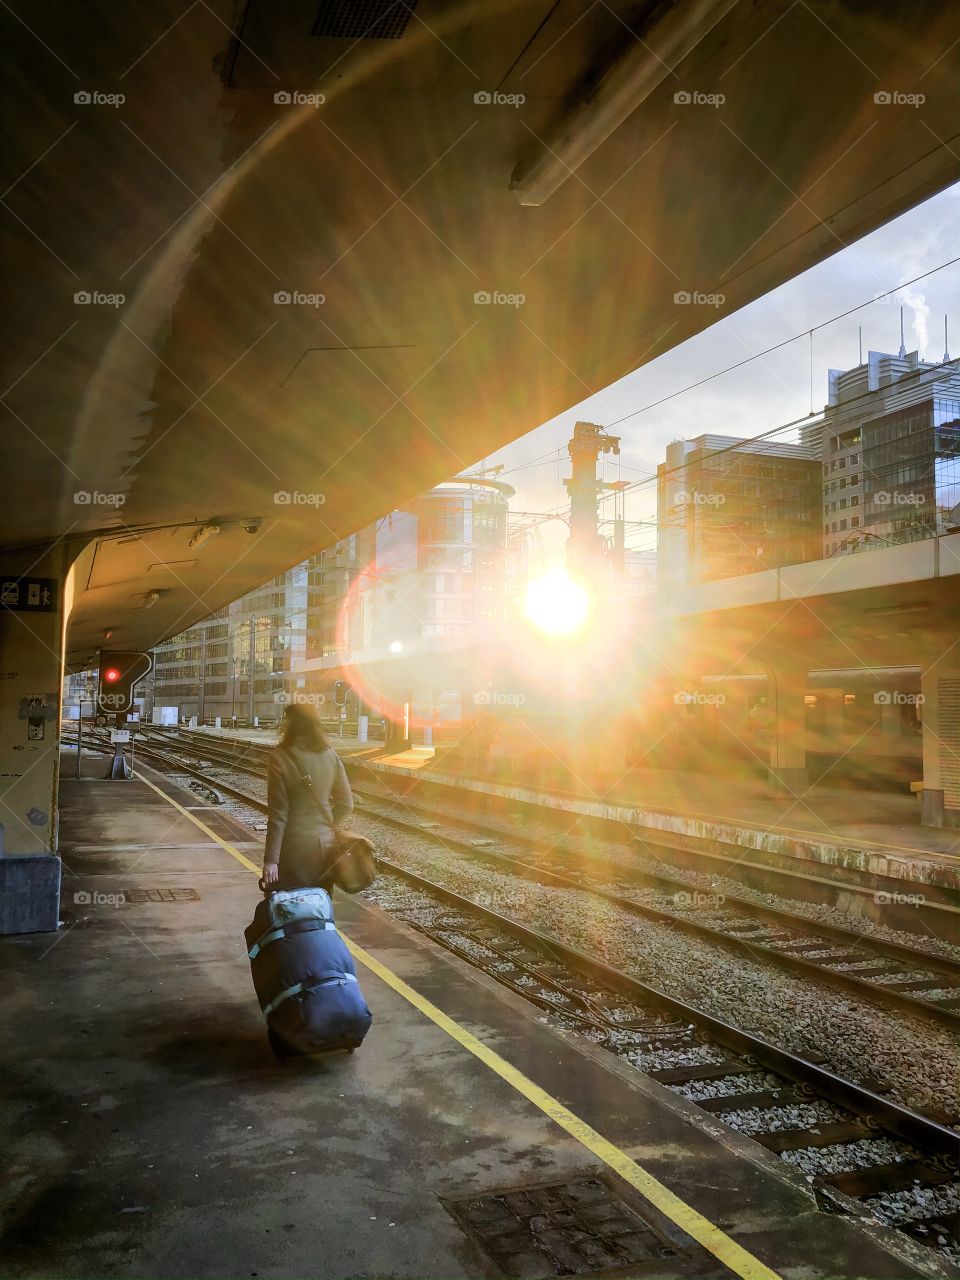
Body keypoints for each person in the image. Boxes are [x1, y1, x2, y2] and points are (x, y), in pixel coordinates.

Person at [262, 703, 353, 891]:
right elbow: (346, 803)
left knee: (289, 908)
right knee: (320, 909)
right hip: (325, 848)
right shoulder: (331, 755)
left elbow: (278, 815)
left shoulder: (280, 757)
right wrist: (324, 826)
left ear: (290, 724)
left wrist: (271, 860)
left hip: (293, 850)